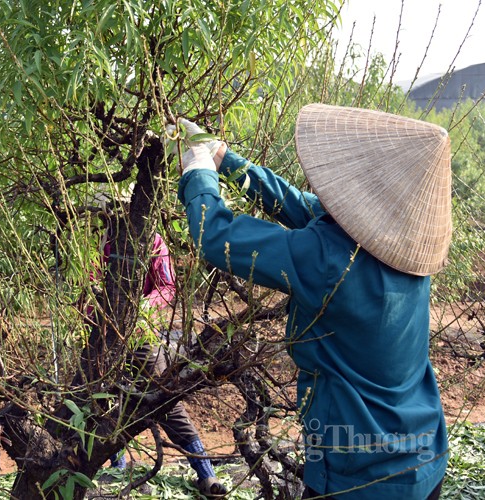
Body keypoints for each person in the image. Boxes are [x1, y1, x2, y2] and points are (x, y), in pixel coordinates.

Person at [170, 105, 450, 499]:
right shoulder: (408, 246)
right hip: (425, 455)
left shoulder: (328, 259)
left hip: (362, 480)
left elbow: (216, 237)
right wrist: (224, 158)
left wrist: (198, 170)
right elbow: (303, 207)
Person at [89, 208, 227, 498]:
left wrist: (143, 307)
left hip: (141, 335)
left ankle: (207, 475)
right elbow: (90, 283)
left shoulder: (153, 243)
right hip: (106, 336)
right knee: (106, 400)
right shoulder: (104, 242)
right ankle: (117, 471)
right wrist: (94, 313)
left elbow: (167, 286)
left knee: (165, 400)